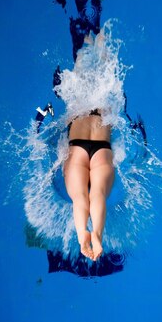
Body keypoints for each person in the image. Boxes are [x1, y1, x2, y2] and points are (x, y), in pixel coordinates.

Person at [63, 108, 114, 261]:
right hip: (102, 147)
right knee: (98, 193)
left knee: (79, 196)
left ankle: (82, 234)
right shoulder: (106, 104)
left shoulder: (75, 105)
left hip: (77, 146)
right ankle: (97, 235)